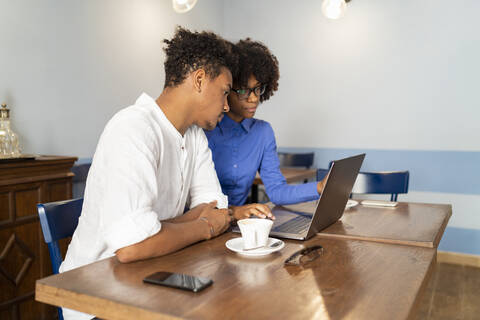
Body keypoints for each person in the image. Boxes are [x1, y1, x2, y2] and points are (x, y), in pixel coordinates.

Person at [60, 27, 237, 320]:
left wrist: (166, 228)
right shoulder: (133, 128)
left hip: (154, 275)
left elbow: (215, 209)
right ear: (200, 79)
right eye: (225, 92)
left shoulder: (193, 136)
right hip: (97, 297)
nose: (227, 105)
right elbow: (131, 247)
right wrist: (203, 226)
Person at [205, 39, 326, 217]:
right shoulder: (205, 129)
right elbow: (194, 201)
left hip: (239, 226)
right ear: (226, 90)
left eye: (257, 89)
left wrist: (319, 187)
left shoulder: (262, 132)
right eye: (244, 90)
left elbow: (277, 191)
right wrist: (234, 212)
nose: (254, 99)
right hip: (204, 224)